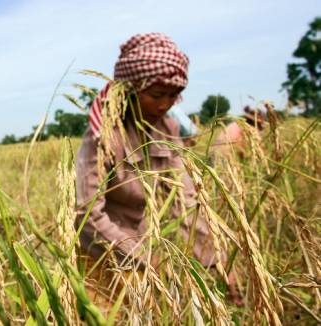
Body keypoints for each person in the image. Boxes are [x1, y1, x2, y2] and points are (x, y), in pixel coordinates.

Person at [74, 33, 237, 309]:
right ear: (130, 90)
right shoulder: (102, 137)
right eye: (156, 95)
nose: (165, 105)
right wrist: (146, 259)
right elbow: (87, 216)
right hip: (100, 254)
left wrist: (216, 263)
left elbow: (185, 201)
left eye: (173, 96)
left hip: (141, 249)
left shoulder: (167, 129)